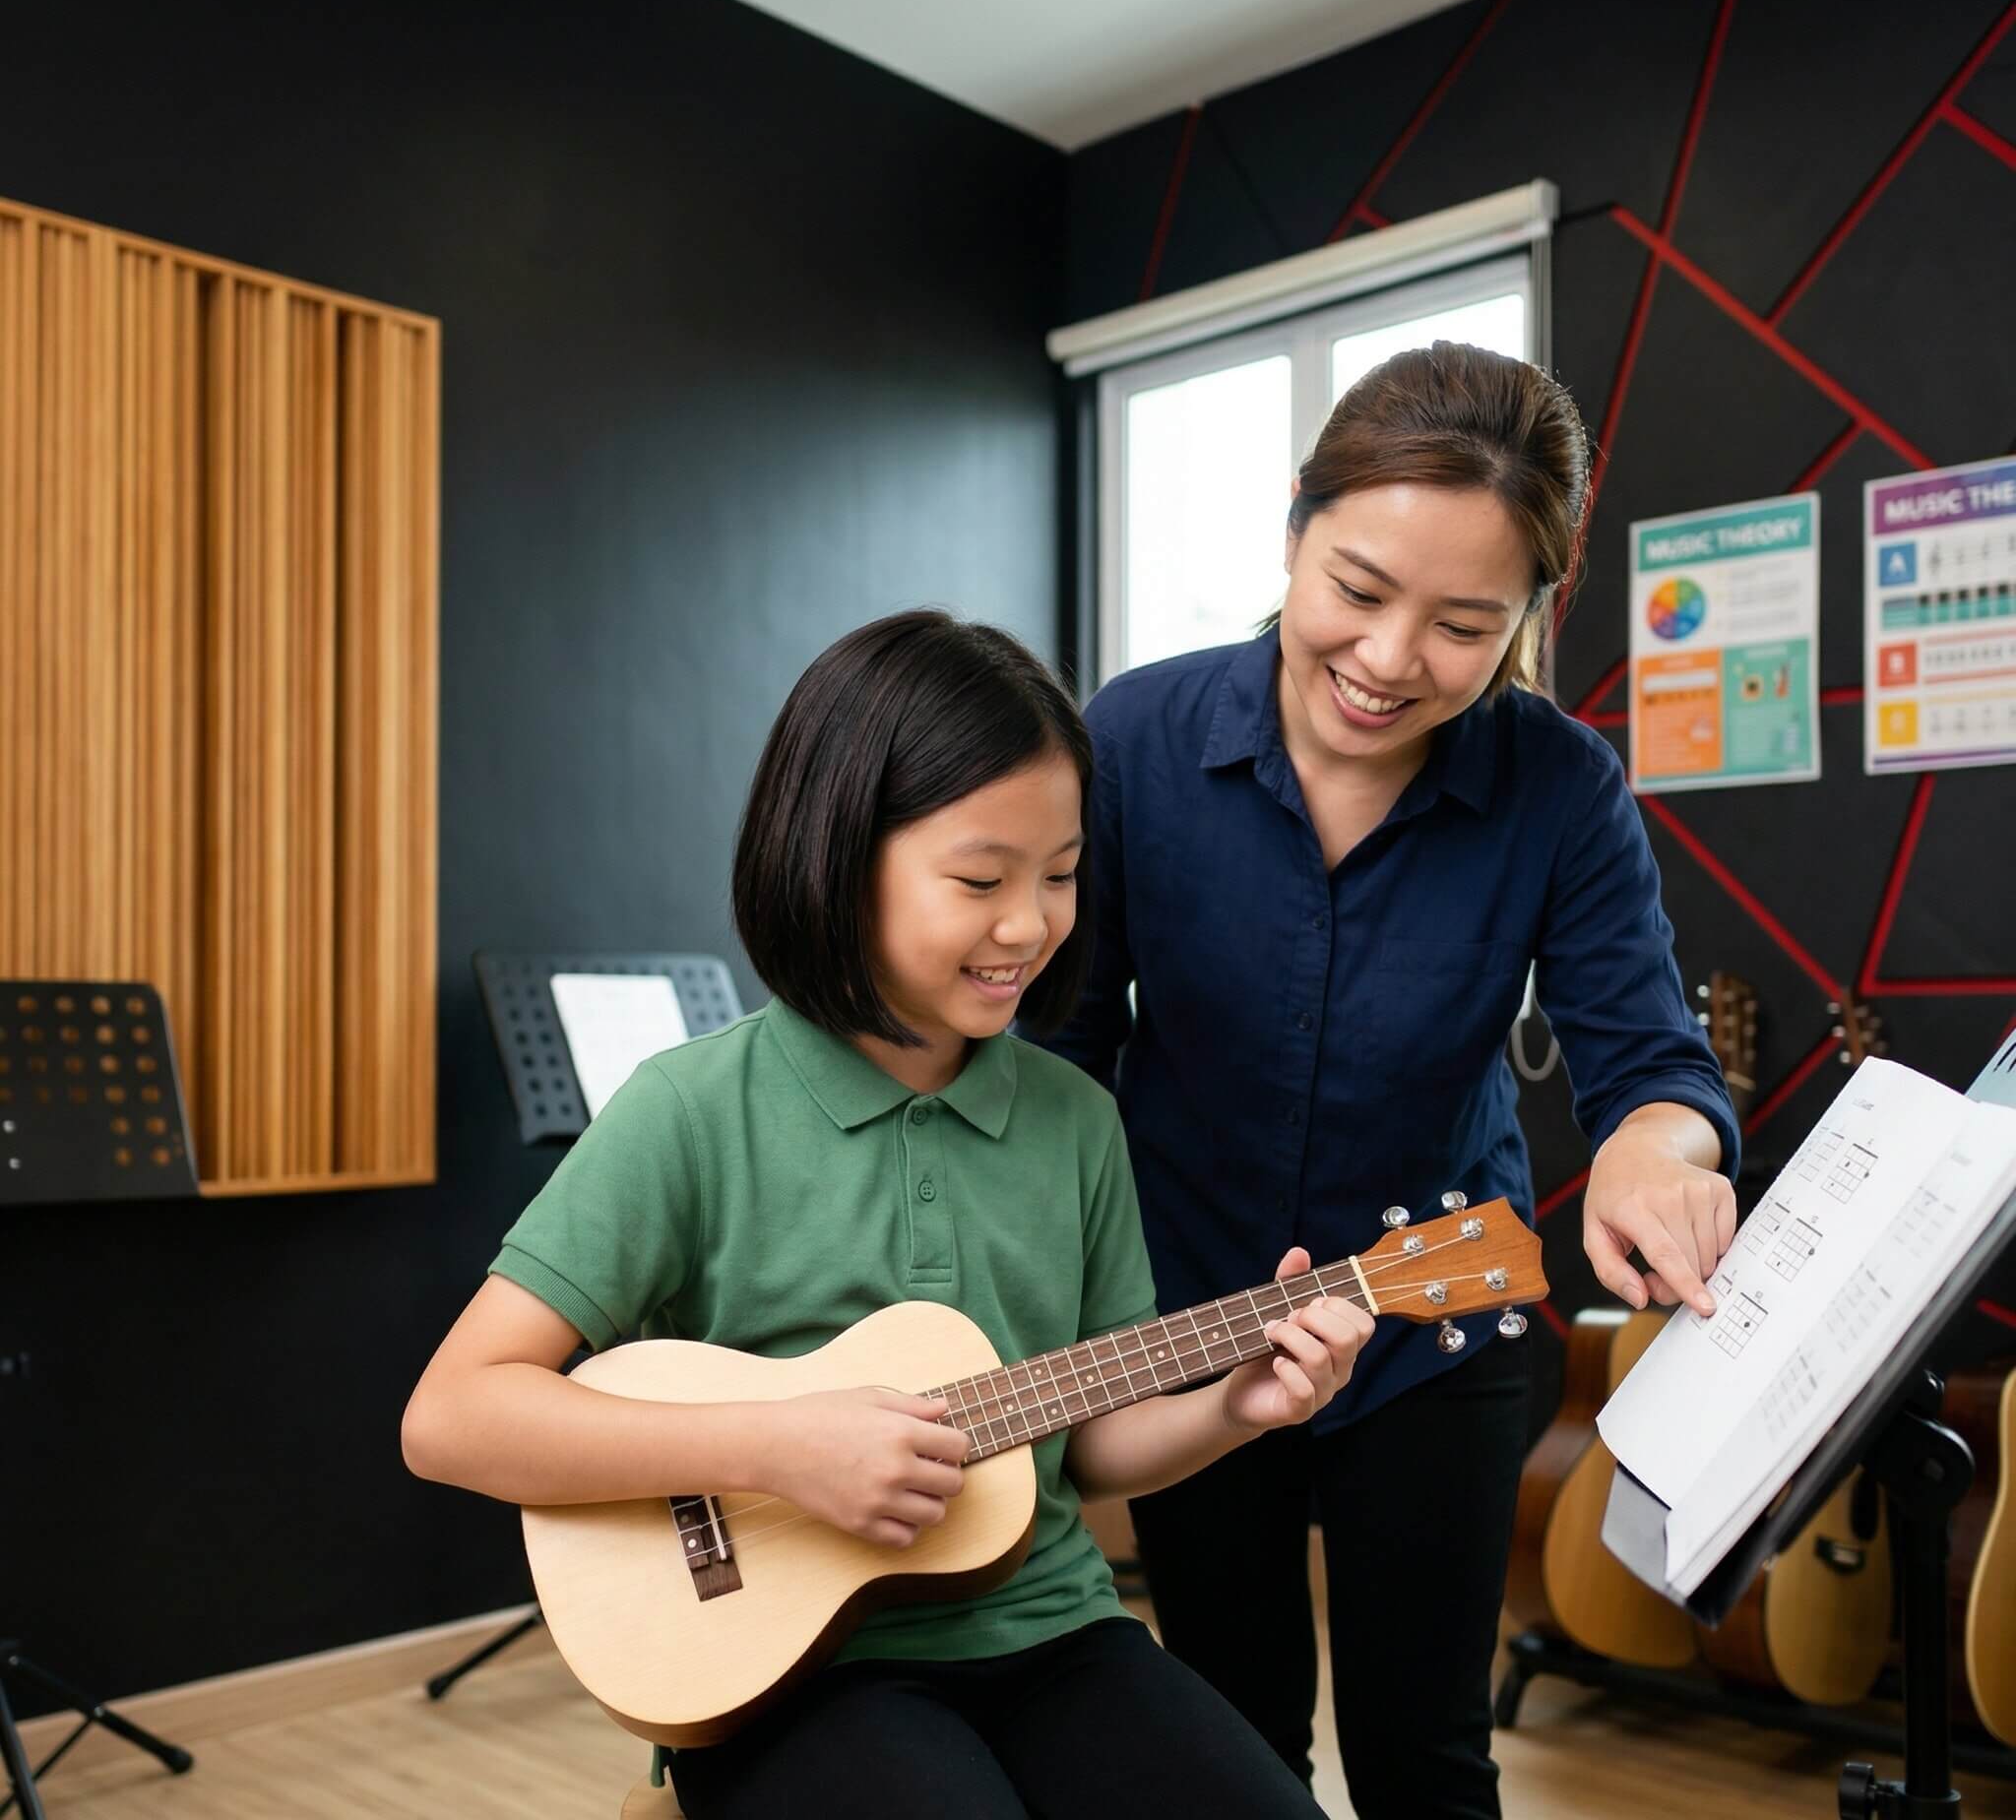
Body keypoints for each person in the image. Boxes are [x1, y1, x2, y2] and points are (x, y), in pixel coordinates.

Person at [401, 610, 1374, 1820]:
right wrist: (775, 1450)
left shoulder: (1074, 1120)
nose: (1027, 923)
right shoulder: (690, 1111)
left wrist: (1237, 1407)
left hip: (1052, 1634)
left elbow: (1090, 1446)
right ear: (835, 852)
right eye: (979, 878)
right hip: (791, 1680)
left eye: (1061, 874)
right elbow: (451, 1417)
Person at [1032, 343, 1741, 1819]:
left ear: (1527, 619)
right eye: (1357, 589)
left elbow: (1650, 1060)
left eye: (1463, 624)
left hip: (1437, 1315)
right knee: (1228, 1747)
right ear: (1296, 528)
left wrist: (1653, 1153)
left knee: (1428, 1755)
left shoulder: (1560, 785)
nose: (1389, 657)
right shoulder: (1134, 739)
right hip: (1192, 1317)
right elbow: (1061, 1047)